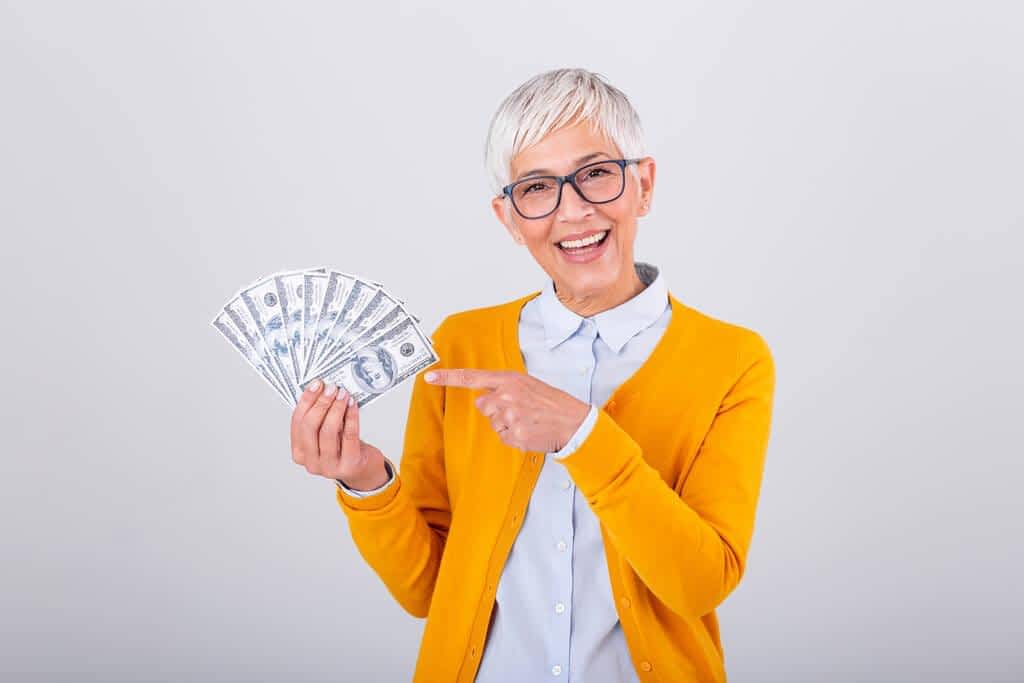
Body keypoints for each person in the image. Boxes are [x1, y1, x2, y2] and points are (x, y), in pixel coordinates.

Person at [289, 68, 776, 682]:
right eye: (538, 188)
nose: (572, 211)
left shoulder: (731, 360)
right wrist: (365, 479)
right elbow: (428, 591)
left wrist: (583, 436)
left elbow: (700, 584)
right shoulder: (461, 346)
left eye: (597, 174)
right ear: (510, 218)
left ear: (643, 185)